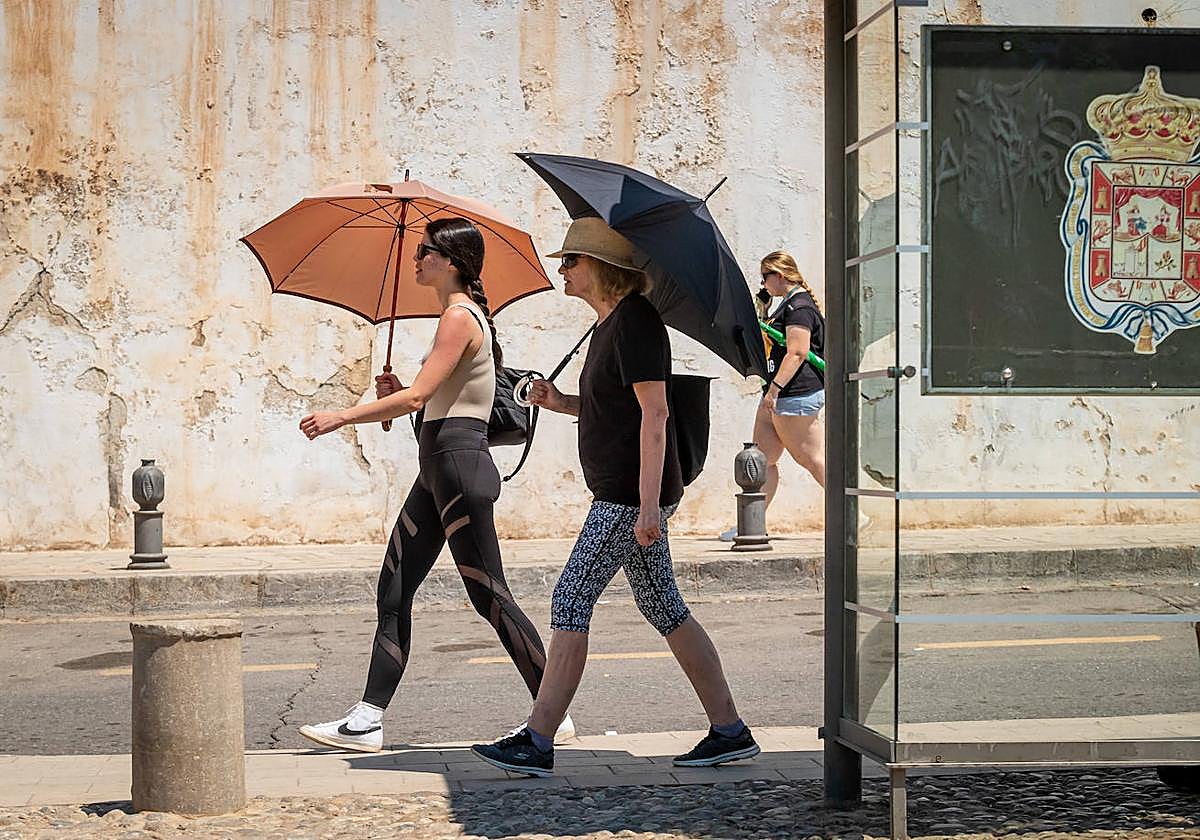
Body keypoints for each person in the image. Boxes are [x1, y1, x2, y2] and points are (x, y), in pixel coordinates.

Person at [470, 217, 759, 777]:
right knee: (664, 607)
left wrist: (649, 507)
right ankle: (730, 730)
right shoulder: (609, 325)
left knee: (570, 599)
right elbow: (614, 408)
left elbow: (656, 413)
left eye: (572, 262)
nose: (563, 271)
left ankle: (538, 738)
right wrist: (557, 402)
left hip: (628, 499)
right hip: (627, 493)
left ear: (601, 270)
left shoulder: (636, 324)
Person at [296, 217, 572, 752]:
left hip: (458, 469)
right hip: (440, 466)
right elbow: (429, 404)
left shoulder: (459, 317)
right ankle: (367, 719)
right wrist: (395, 393)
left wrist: (343, 416)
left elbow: (421, 401)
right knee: (394, 587)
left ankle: (551, 713)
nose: (416, 259)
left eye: (424, 252)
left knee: (489, 595)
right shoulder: (456, 317)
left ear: (450, 261)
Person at [720, 250, 825, 541]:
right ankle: (750, 525)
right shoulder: (786, 306)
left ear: (778, 275)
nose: (763, 284)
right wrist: (762, 309)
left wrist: (776, 389)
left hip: (793, 395)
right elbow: (771, 342)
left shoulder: (800, 307)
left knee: (814, 460)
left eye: (765, 278)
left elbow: (797, 351)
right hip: (776, 395)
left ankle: (857, 515)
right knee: (762, 462)